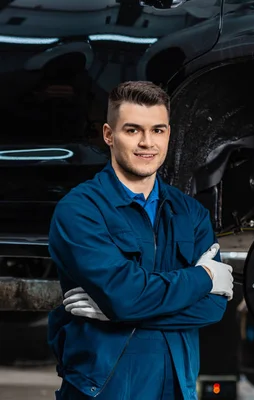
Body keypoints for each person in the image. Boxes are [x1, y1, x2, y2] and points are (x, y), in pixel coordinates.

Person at [46, 81, 234, 400]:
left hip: (175, 387)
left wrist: (120, 311)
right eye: (133, 130)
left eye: (157, 130)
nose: (147, 143)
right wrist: (203, 277)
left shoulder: (191, 213)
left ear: (169, 134)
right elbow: (123, 296)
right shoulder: (79, 211)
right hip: (102, 388)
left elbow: (213, 308)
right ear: (108, 135)